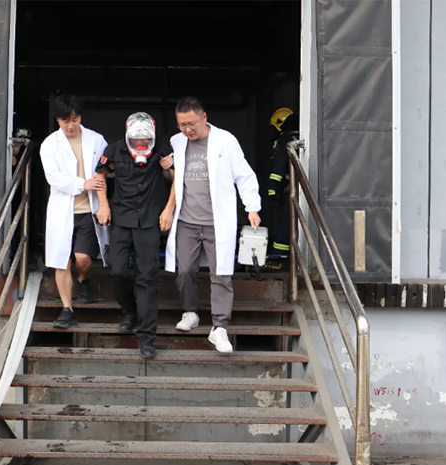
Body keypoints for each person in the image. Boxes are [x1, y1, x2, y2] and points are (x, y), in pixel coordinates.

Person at [161, 97, 261, 354]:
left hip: (218, 220)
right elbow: (173, 179)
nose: (187, 130)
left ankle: (219, 326)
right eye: (182, 125)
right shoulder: (176, 142)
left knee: (221, 273)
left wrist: (252, 207)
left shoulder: (225, 140)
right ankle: (190, 312)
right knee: (184, 270)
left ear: (204, 117)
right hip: (187, 219)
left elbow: (244, 175)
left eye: (191, 124)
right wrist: (166, 168)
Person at [94, 113, 174, 358]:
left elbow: (178, 180)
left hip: (149, 220)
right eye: (136, 140)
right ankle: (131, 311)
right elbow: (100, 176)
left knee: (146, 277)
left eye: (145, 140)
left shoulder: (163, 148)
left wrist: (168, 209)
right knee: (118, 270)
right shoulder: (115, 148)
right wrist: (103, 206)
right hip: (121, 218)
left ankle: (147, 336)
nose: (140, 144)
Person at [39, 95, 109, 329]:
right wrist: (82, 184)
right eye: (65, 120)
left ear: (80, 117)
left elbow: (105, 171)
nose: (70, 125)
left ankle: (83, 279)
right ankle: (67, 309)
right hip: (63, 210)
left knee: (83, 259)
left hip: (88, 209)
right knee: (62, 262)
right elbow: (54, 177)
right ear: (57, 119)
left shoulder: (96, 139)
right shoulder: (50, 144)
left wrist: (103, 202)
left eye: (75, 119)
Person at [267, 108, 299, 267]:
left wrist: (273, 187)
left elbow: (280, 165)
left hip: (290, 190)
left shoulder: (285, 139)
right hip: (302, 190)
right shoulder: (301, 137)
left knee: (284, 222)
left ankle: (278, 260)